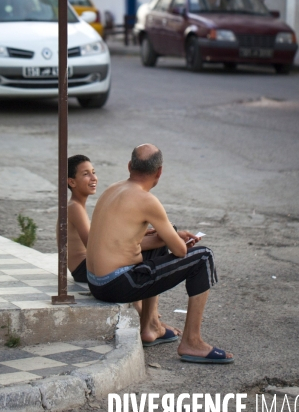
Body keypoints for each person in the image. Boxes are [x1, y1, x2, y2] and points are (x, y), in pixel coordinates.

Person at [87, 144, 233, 364]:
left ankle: (150, 326)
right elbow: (180, 250)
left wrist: (167, 235)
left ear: (129, 166)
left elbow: (121, 242)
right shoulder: (147, 200)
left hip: (96, 283)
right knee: (203, 257)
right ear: (159, 172)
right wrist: (176, 238)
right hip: (117, 284)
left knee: (164, 234)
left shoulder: (113, 189)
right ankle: (192, 342)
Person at [60, 154, 98, 283]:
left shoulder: (76, 205)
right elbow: (92, 245)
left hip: (84, 266)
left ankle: (138, 304)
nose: (94, 178)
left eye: (93, 172)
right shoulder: (74, 207)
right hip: (83, 269)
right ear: (72, 182)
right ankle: (140, 304)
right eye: (86, 174)